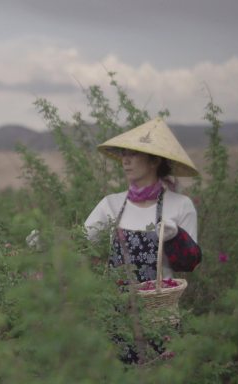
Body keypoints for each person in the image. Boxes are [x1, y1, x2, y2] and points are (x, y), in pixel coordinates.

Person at [84, 117, 202, 363]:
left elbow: (189, 263)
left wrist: (175, 237)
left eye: (133, 154)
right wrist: (49, 242)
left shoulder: (180, 205)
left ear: (155, 160)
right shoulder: (111, 204)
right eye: (123, 154)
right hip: (117, 319)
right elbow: (79, 241)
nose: (125, 160)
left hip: (161, 321)